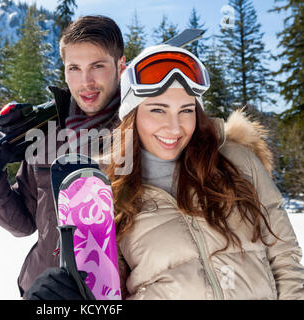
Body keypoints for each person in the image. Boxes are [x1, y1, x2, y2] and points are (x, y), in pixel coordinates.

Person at [24, 45, 304, 300]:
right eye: (158, 110)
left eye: (186, 110)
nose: (174, 128)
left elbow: (285, 258)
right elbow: (104, 294)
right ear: (132, 116)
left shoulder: (238, 162)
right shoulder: (103, 191)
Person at [0, 15, 126, 297]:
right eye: (74, 68)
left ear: (121, 66)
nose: (85, 81)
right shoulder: (47, 135)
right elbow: (25, 223)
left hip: (107, 296)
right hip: (43, 291)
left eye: (97, 66)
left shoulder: (141, 130)